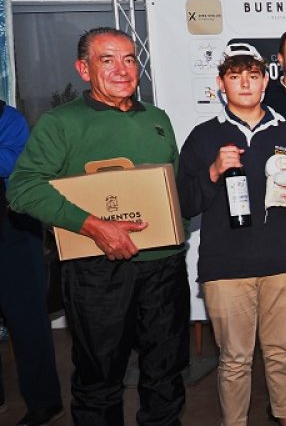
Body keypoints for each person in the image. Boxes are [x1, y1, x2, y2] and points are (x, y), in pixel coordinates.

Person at [8, 27, 189, 426]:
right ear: (84, 69)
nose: (122, 69)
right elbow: (22, 188)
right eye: (107, 60)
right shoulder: (61, 123)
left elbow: (173, 189)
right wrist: (93, 226)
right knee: (99, 378)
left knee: (166, 373)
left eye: (129, 59)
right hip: (96, 271)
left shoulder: (158, 119)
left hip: (164, 267)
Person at [177, 42, 286, 426]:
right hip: (225, 267)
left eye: (253, 76)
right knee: (235, 359)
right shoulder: (204, 136)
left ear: (264, 82)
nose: (245, 84)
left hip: (283, 262)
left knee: (281, 352)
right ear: (220, 83)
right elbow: (183, 202)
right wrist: (212, 171)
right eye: (235, 76)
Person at [0, 100, 63, 425]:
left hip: (14, 231)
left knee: (27, 323)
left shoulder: (7, 117)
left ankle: (44, 403)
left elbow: (15, 161)